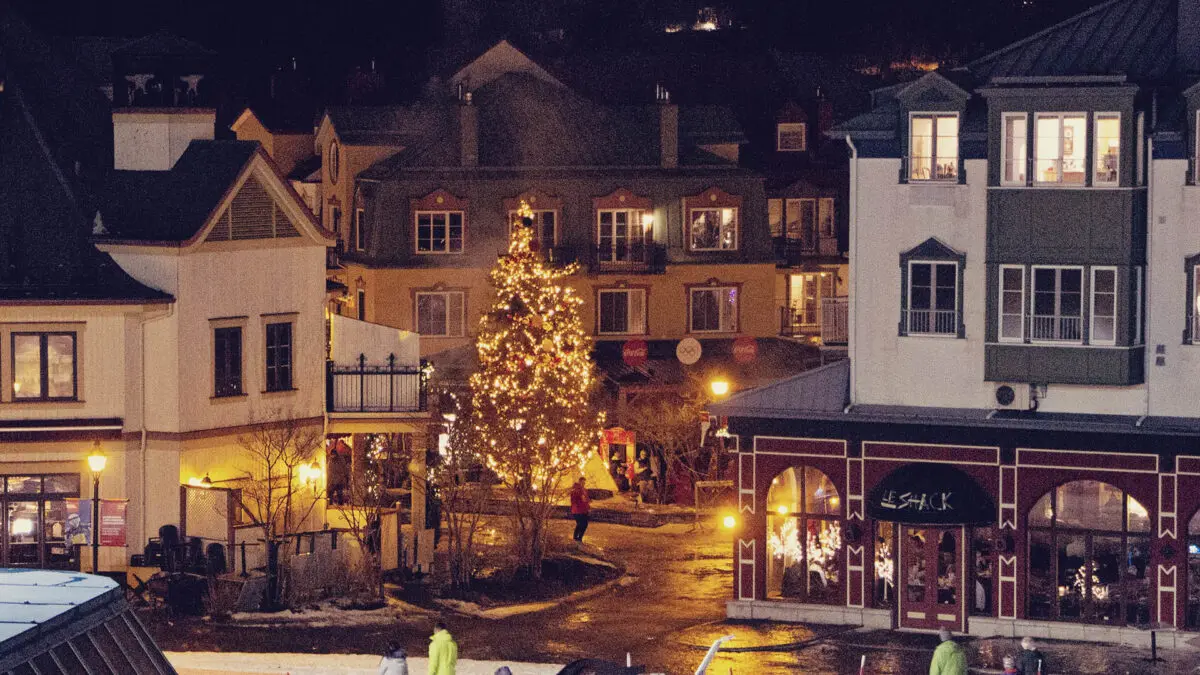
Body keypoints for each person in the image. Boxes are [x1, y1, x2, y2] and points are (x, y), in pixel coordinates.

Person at [570, 477, 590, 542]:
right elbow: (580, 499)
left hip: (584, 510)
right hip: (577, 510)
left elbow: (586, 499)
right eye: (582, 482)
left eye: (584, 482)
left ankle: (578, 538)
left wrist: (588, 506)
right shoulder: (575, 490)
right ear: (579, 482)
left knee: (584, 524)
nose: (583, 483)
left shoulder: (584, 490)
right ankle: (576, 538)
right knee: (581, 524)